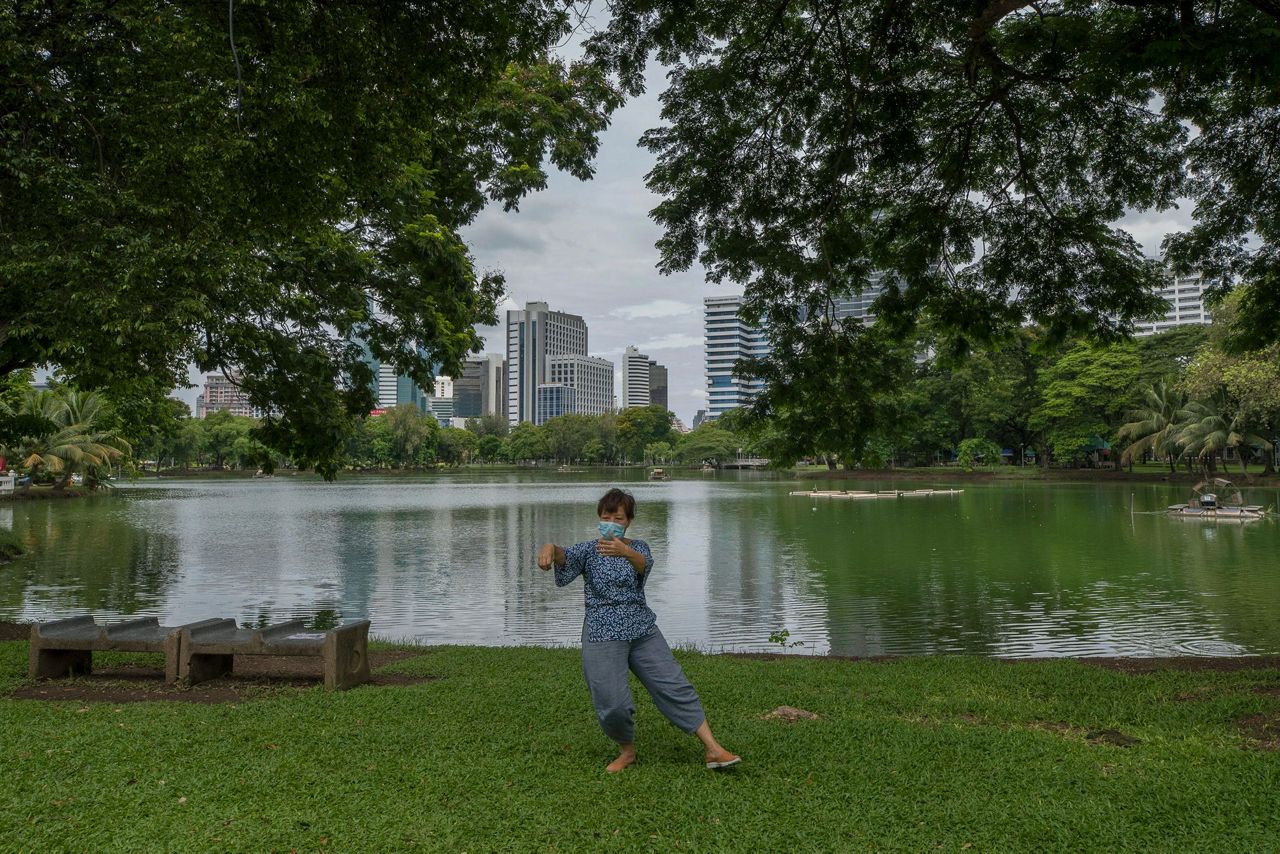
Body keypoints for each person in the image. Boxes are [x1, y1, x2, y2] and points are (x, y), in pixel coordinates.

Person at [537, 487, 741, 773]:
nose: (611, 521)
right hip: (602, 632)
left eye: (618, 517)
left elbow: (642, 565)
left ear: (628, 521)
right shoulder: (588, 550)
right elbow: (565, 557)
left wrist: (625, 551)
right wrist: (550, 549)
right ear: (599, 517)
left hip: (642, 629)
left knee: (674, 685)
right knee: (612, 702)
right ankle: (627, 750)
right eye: (606, 515)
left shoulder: (639, 548)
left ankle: (713, 749)